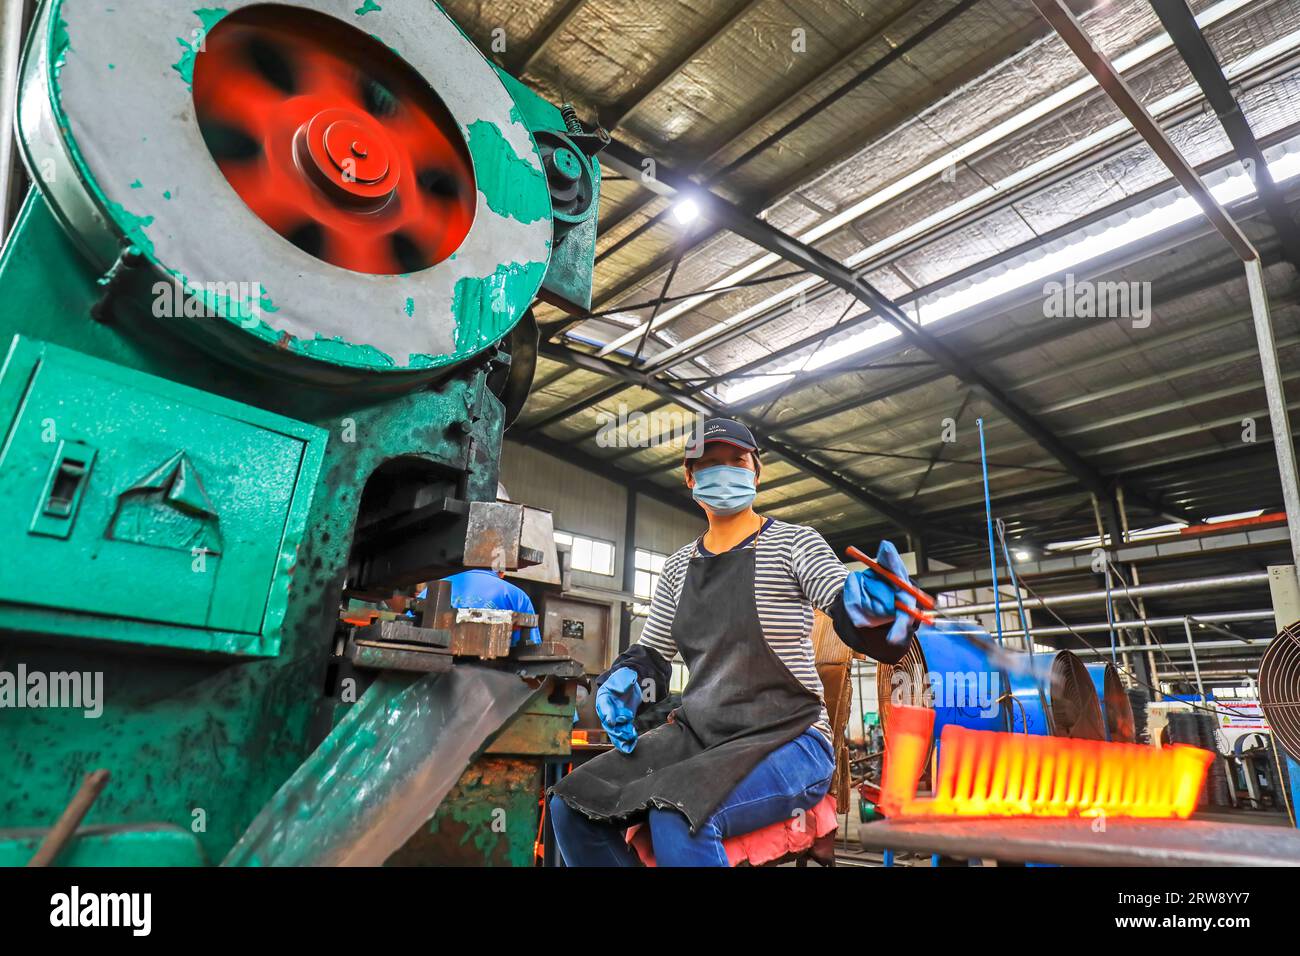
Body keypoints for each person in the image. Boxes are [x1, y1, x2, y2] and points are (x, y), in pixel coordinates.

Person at [549, 417, 918, 866]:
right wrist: (627, 677)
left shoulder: (794, 544)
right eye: (708, 464)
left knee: (678, 814)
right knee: (571, 804)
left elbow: (842, 602)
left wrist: (873, 615)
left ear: (756, 472)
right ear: (689, 478)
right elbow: (651, 656)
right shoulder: (676, 567)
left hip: (790, 737)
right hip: (701, 736)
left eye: (736, 461)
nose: (724, 472)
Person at [415, 569, 541, 646]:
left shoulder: (432, 588)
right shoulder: (517, 595)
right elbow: (531, 646)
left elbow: (412, 630)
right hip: (492, 678)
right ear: (501, 570)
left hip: (434, 673)